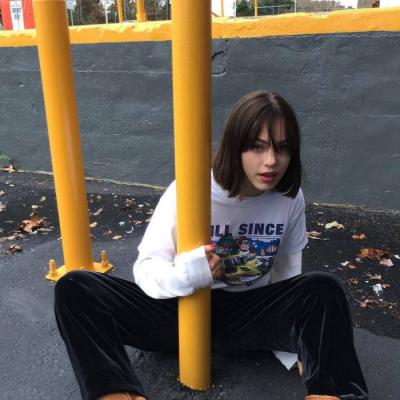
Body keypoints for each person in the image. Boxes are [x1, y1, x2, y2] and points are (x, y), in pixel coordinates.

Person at [54, 91, 369, 400]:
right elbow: (146, 272)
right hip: (179, 315)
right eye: (257, 147)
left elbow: (288, 276)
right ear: (235, 146)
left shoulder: (289, 198)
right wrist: (190, 274)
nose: (271, 161)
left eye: (283, 148)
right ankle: (114, 394)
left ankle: (333, 394)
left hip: (247, 318)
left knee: (323, 288)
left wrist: (303, 344)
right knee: (76, 288)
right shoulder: (189, 192)